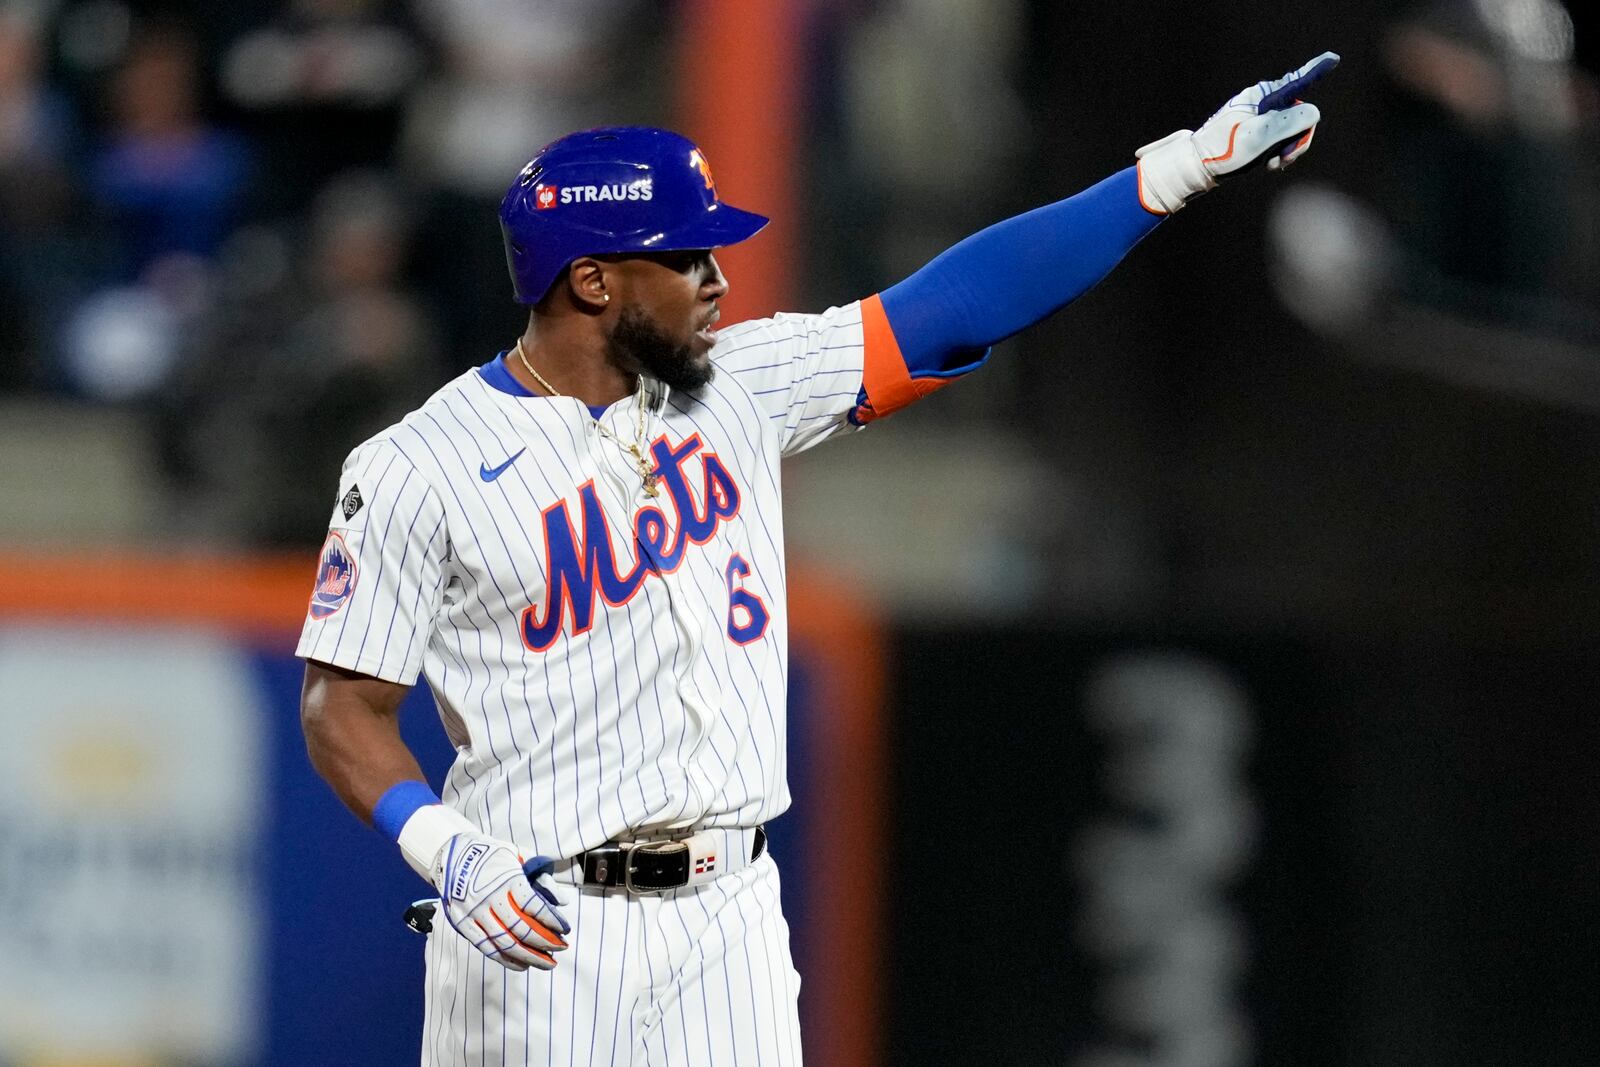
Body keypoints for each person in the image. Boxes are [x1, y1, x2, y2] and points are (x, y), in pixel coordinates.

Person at [297, 52, 1338, 1066]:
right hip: (541, 924)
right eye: (688, 258)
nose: (719, 280)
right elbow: (341, 704)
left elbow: (957, 305)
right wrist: (448, 849)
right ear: (592, 280)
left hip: (731, 918)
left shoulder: (738, 385)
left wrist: (1179, 169)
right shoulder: (417, 465)